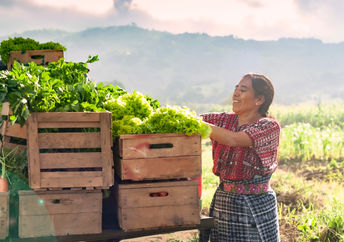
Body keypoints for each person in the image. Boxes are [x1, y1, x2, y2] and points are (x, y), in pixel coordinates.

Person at [200, 73, 280, 242]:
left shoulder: (268, 126)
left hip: (254, 205)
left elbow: (234, 139)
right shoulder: (225, 120)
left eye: (243, 90)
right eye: (236, 88)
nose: (235, 94)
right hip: (225, 201)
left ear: (259, 100)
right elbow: (194, 120)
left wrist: (198, 125)